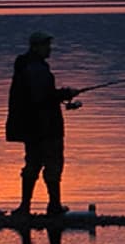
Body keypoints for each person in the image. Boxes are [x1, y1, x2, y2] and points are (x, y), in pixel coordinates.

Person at [6, 31, 78, 216]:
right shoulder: (36, 69)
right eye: (46, 45)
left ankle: (25, 207)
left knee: (32, 164)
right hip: (46, 126)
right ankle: (54, 207)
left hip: (31, 127)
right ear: (36, 47)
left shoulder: (26, 66)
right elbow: (42, 97)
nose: (50, 49)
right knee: (53, 164)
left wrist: (60, 95)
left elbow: (38, 95)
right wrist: (64, 94)